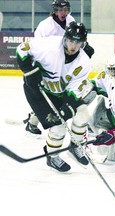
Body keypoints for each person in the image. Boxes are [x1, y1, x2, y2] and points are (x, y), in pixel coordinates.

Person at [16, 21, 92, 172]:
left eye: (78, 42)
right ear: (64, 38)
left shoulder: (84, 62)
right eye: (71, 40)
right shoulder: (48, 46)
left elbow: (74, 91)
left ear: (83, 43)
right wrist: (28, 70)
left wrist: (66, 109)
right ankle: (52, 156)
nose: (73, 46)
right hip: (38, 91)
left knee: (83, 115)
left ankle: (75, 145)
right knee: (58, 126)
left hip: (60, 93)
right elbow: (21, 49)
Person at [25, 0, 94, 136]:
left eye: (66, 10)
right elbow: (38, 47)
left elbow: (75, 36)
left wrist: (85, 46)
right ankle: (32, 122)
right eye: (60, 10)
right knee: (51, 97)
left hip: (65, 64)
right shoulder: (45, 25)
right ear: (55, 11)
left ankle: (78, 121)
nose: (64, 13)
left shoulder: (71, 19)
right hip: (49, 66)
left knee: (65, 94)